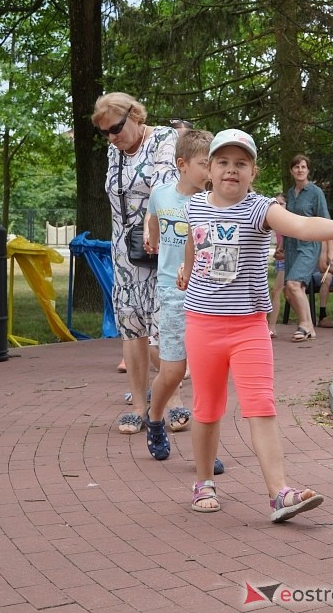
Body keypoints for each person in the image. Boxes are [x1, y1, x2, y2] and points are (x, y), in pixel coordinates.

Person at [176, 129, 333, 522]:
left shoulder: (258, 208)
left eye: (241, 164)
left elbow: (299, 226)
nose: (232, 170)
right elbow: (195, 244)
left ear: (253, 172)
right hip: (203, 324)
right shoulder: (195, 206)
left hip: (249, 327)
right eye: (224, 163)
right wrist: (186, 267)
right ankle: (203, 482)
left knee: (261, 405)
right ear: (210, 170)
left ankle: (280, 493)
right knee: (207, 408)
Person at [93, 92, 179, 435]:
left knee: (162, 327)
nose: (112, 137)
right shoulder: (115, 151)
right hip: (124, 251)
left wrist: (149, 227)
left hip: (158, 247)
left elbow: (163, 187)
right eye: (105, 133)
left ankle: (172, 400)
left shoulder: (162, 139)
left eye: (115, 128)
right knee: (131, 324)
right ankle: (140, 407)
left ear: (135, 116)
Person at [141, 129, 212, 458]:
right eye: (204, 163)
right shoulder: (161, 194)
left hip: (208, 296)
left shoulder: (211, 202)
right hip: (172, 294)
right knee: (172, 372)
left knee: (205, 372)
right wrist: (152, 238)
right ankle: (155, 417)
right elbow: (153, 219)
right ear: (182, 164)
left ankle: (205, 449)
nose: (211, 171)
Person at [283, 154, 329, 343]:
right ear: (291, 171)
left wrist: (327, 252)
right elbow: (286, 221)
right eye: (296, 167)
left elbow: (325, 221)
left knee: (293, 284)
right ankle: (309, 326)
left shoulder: (315, 192)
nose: (300, 170)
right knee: (292, 290)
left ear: (308, 170)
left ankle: (304, 324)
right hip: (291, 245)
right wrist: (280, 246)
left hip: (309, 245)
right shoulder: (290, 193)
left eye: (303, 167)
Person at [266, 193, 287, 336]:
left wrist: (284, 254)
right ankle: (307, 323)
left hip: (289, 262)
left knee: (276, 291)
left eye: (282, 204)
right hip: (281, 261)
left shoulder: (288, 222)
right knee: (289, 294)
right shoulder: (275, 223)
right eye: (276, 204)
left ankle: (271, 327)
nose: (279, 206)